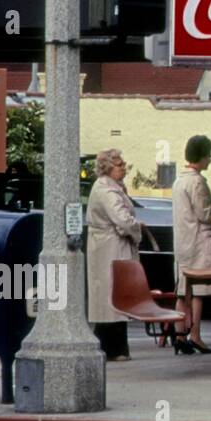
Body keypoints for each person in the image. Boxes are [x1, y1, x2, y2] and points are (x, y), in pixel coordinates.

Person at [86, 148, 146, 361]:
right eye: (119, 165)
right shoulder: (106, 191)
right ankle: (112, 347)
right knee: (110, 295)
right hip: (110, 247)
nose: (124, 168)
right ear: (108, 168)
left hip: (112, 246)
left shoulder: (112, 187)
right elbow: (122, 219)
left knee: (114, 295)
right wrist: (135, 227)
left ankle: (116, 346)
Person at [171, 135, 211, 353]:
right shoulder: (197, 181)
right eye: (209, 156)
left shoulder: (179, 180)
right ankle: (195, 335)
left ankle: (179, 335)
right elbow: (206, 214)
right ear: (203, 156)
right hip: (200, 241)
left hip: (183, 241)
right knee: (198, 292)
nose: (210, 160)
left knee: (182, 290)